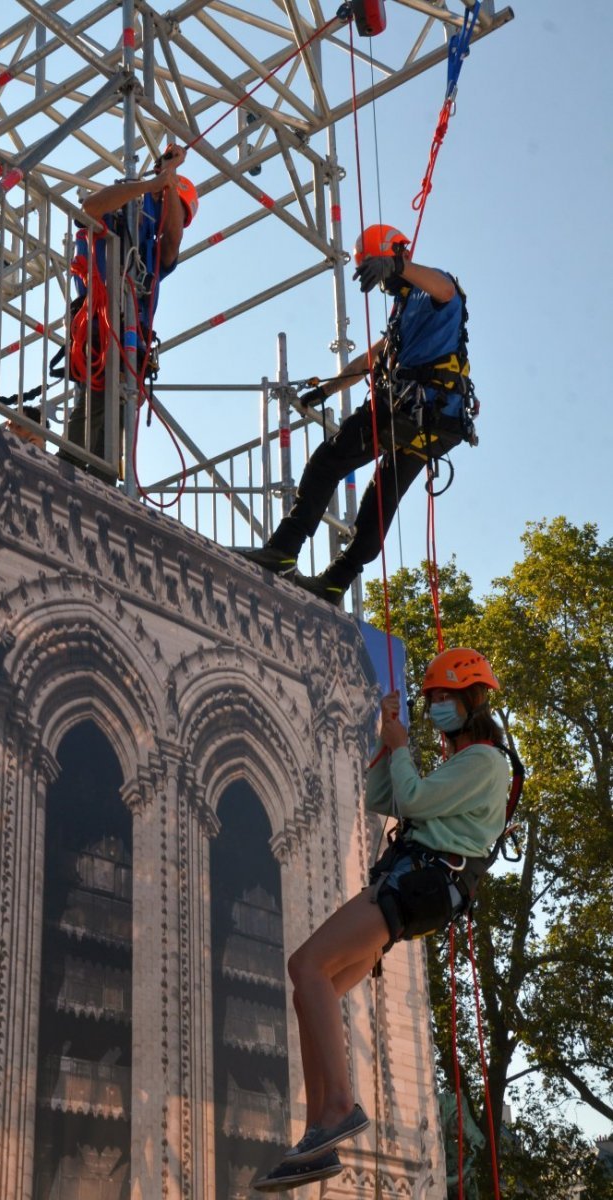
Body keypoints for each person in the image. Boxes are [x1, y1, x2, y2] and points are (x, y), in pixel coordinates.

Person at [253, 647, 510, 1192]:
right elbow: (382, 798)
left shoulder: (486, 762)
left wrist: (400, 748)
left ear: (470, 699)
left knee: (307, 965)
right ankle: (316, 1135)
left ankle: (340, 1106)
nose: (437, 706)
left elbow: (413, 800)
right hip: (411, 885)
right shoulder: (460, 764)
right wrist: (386, 738)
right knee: (310, 990)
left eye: (444, 697)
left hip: (417, 883)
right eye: (432, 698)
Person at [242, 223, 477, 605]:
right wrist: (330, 388)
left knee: (328, 461)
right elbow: (375, 354)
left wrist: (397, 266)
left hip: (412, 408)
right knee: (380, 501)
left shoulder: (432, 287)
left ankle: (285, 548)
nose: (379, 284)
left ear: (391, 255)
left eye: (373, 268)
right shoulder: (404, 310)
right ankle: (336, 582)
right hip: (433, 421)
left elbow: (446, 289)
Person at [61, 146, 197, 482]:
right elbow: (91, 207)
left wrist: (168, 183)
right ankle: (67, 469)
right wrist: (152, 185)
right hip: (100, 323)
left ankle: (98, 480)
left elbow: (171, 243)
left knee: (117, 410)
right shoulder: (118, 209)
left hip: (132, 336)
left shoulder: (152, 246)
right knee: (94, 402)